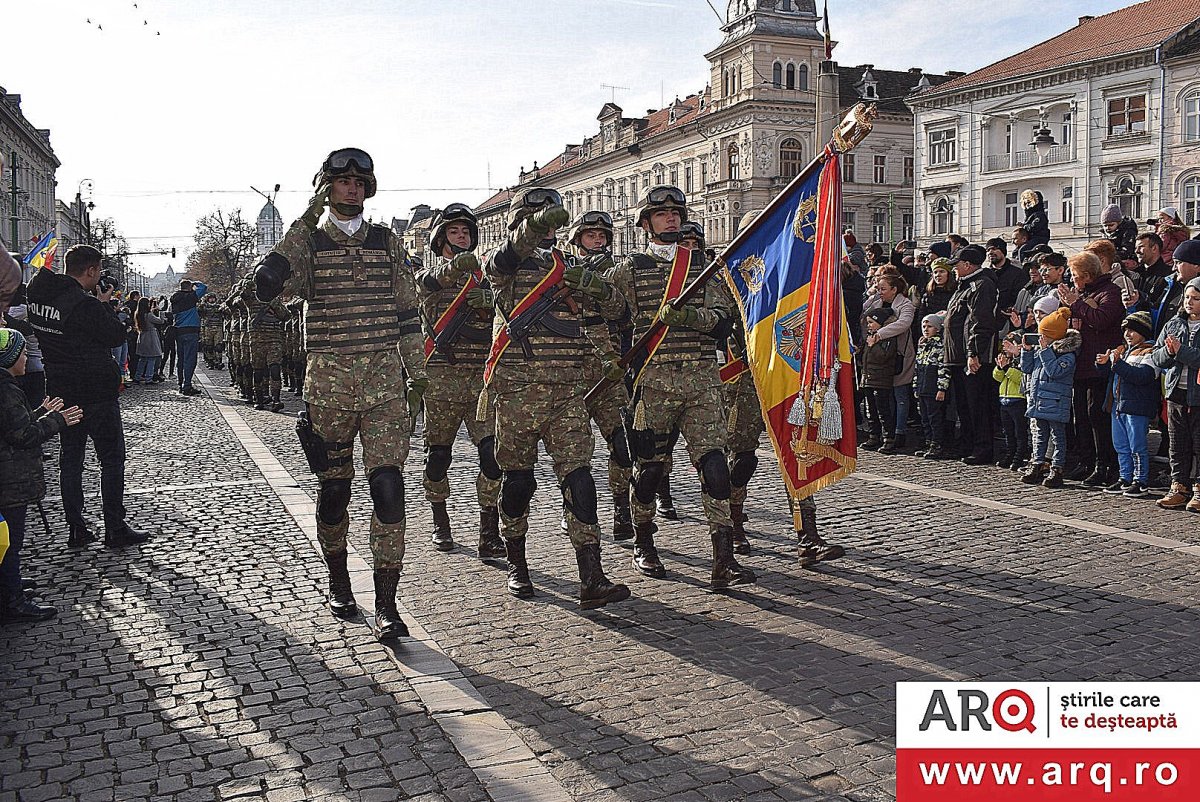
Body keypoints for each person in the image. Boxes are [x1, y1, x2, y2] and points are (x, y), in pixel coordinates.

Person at [253, 147, 431, 639]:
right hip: (328, 389)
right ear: (325, 188)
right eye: (341, 181)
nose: (351, 188)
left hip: (384, 388)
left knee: (388, 490)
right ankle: (338, 580)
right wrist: (305, 219)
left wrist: (419, 378)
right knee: (334, 491)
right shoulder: (308, 244)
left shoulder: (387, 242)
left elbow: (407, 315)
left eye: (359, 181)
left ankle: (387, 606)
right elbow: (264, 286)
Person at [481, 186, 630, 608]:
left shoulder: (567, 266)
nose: (548, 222)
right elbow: (512, 250)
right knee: (519, 481)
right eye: (538, 215)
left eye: (552, 214)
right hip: (518, 392)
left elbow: (618, 312)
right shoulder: (502, 265)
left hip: (567, 391)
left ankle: (592, 576)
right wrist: (537, 223)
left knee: (580, 478)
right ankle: (518, 564)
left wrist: (595, 287)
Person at [606, 185, 754, 587]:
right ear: (646, 223)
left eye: (676, 212)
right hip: (653, 381)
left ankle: (723, 559)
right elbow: (608, 321)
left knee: (715, 466)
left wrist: (689, 316)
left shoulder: (703, 265)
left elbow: (726, 319)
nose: (671, 218)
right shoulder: (628, 271)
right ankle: (643, 540)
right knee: (650, 469)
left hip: (702, 378)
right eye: (661, 214)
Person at [26, 245, 149, 547]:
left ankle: (76, 529)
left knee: (71, 460)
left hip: (60, 389)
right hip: (95, 390)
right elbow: (116, 335)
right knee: (111, 459)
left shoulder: (39, 297)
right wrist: (104, 304)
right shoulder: (85, 304)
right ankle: (115, 527)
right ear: (92, 270)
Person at [415, 203, 504, 559]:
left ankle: (489, 530)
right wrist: (457, 270)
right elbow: (425, 285)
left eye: (467, 232)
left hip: (480, 382)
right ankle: (440, 520)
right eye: (454, 232)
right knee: (438, 457)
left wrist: (493, 300)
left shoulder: (486, 278)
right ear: (440, 240)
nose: (462, 237)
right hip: (441, 381)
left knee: (491, 456)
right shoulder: (429, 277)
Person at [0, 329, 83, 624]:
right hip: (10, 480)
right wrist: (56, 421)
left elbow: (13, 425)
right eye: (22, 353)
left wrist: (39, 412)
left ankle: (10, 583)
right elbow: (23, 435)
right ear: (10, 359)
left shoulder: (8, 387)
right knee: (9, 540)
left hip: (9, 477)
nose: (27, 358)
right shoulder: (7, 390)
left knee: (8, 539)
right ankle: (12, 600)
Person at [1056, 251, 1123, 486]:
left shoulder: (1110, 292)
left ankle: (1105, 464)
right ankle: (1086, 461)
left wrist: (1077, 304)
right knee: (1081, 417)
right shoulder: (1084, 294)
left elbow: (1101, 319)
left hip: (1099, 366)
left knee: (1098, 417)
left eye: (1075, 276)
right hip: (1080, 365)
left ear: (1087, 275)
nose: (1073, 280)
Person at [942, 244, 1000, 463]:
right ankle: (967, 443)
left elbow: (980, 321)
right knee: (964, 405)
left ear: (967, 265)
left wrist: (973, 352)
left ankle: (982, 447)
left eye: (956, 265)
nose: (954, 269)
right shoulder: (965, 285)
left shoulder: (982, 285)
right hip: (957, 355)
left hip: (972, 355)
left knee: (977, 404)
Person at [1015, 308, 1079, 488]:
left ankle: (1057, 468)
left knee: (1058, 436)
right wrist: (1026, 352)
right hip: (1039, 400)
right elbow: (1027, 369)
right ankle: (1037, 463)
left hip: (1056, 401)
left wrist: (1045, 351)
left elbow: (1055, 371)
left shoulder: (1067, 355)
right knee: (1040, 435)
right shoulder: (1040, 352)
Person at [1096, 311, 1158, 497]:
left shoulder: (1150, 351)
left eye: (1132, 330)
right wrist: (1104, 364)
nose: (1127, 334)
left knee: (1137, 445)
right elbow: (1112, 375)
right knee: (1121, 445)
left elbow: (1143, 376)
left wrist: (1117, 364)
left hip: (1136, 406)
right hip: (1118, 405)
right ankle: (1125, 477)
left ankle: (1141, 480)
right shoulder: (1123, 350)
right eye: (1125, 331)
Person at [1152, 277, 1200, 512]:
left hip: (1198, 394)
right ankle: (1179, 486)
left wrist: (1182, 351)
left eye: (1196, 298)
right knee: (1177, 443)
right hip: (1175, 392)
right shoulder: (1174, 323)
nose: (1190, 302)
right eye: (1187, 297)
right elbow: (1156, 356)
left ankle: (1199, 489)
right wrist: (1170, 353)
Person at [862, 273, 915, 452]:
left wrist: (880, 334)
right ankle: (876, 434)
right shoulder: (876, 300)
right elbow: (864, 315)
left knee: (899, 395)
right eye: (878, 288)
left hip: (897, 354)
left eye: (883, 289)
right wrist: (872, 297)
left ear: (894, 290)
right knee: (878, 399)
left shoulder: (905, 304)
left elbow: (904, 324)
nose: (880, 292)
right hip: (876, 361)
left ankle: (898, 433)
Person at [860, 307, 899, 451]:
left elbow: (883, 356)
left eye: (871, 322)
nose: (869, 325)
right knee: (870, 410)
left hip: (881, 379)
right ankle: (873, 435)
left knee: (883, 409)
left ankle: (888, 437)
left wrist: (872, 345)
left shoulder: (886, 337)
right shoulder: (870, 336)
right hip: (869, 378)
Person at [914, 313, 949, 459]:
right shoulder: (922, 344)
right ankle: (928, 442)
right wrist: (915, 386)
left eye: (930, 326)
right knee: (925, 417)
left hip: (933, 387)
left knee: (935, 417)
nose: (926, 329)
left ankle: (937, 444)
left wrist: (942, 388)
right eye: (924, 326)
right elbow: (917, 367)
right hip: (922, 386)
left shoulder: (940, 345)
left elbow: (943, 368)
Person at [993, 333, 1029, 470]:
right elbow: (997, 377)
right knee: (1008, 431)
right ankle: (1010, 453)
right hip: (1004, 400)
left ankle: (1019, 457)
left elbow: (1021, 379)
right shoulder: (1005, 360)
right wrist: (1000, 367)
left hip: (1018, 399)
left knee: (1019, 431)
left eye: (1008, 345)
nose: (1005, 349)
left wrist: (1008, 368)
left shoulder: (1021, 361)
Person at [170, 279, 208, 395]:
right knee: (190, 359)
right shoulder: (191, 297)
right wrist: (195, 282)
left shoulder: (175, 298)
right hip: (191, 331)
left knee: (180, 358)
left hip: (179, 331)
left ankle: (180, 383)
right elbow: (203, 287)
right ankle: (187, 385)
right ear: (190, 287)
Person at [133, 298, 165, 384]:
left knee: (143, 359)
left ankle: (137, 377)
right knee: (152, 358)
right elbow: (160, 321)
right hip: (150, 337)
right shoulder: (148, 315)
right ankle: (149, 378)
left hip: (142, 336)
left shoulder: (138, 314)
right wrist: (161, 311)